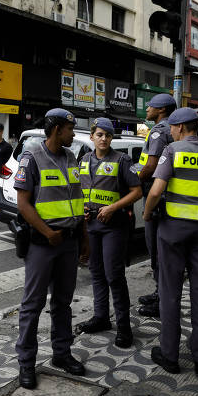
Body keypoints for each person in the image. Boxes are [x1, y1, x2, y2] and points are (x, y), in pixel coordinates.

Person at [142, 108, 198, 375]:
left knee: (170, 292)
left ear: (181, 127)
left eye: (172, 127)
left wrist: (148, 214)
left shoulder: (173, 151)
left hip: (174, 229)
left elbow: (156, 191)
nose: (170, 132)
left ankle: (170, 356)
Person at [14, 108, 88, 390]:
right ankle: (26, 364)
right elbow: (23, 204)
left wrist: (84, 238)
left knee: (62, 303)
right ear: (57, 129)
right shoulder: (31, 158)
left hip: (68, 243)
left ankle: (61, 354)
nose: (73, 133)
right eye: (71, 128)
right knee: (32, 305)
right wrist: (48, 233)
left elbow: (77, 201)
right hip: (43, 244)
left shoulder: (71, 158)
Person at [75, 118, 142, 348]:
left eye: (108, 135)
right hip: (91, 225)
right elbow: (78, 190)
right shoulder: (83, 160)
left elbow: (137, 191)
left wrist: (113, 208)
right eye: (100, 135)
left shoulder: (122, 160)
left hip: (115, 225)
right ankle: (101, 317)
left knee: (114, 275)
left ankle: (124, 328)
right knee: (96, 272)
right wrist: (81, 210)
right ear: (92, 136)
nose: (104, 139)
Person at [135, 93, 177, 318]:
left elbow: (150, 166)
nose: (147, 108)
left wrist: (135, 181)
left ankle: (162, 299)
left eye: (150, 106)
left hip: (156, 195)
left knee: (157, 249)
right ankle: (159, 291)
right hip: (167, 197)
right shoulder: (173, 129)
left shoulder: (160, 131)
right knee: (161, 249)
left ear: (161, 110)